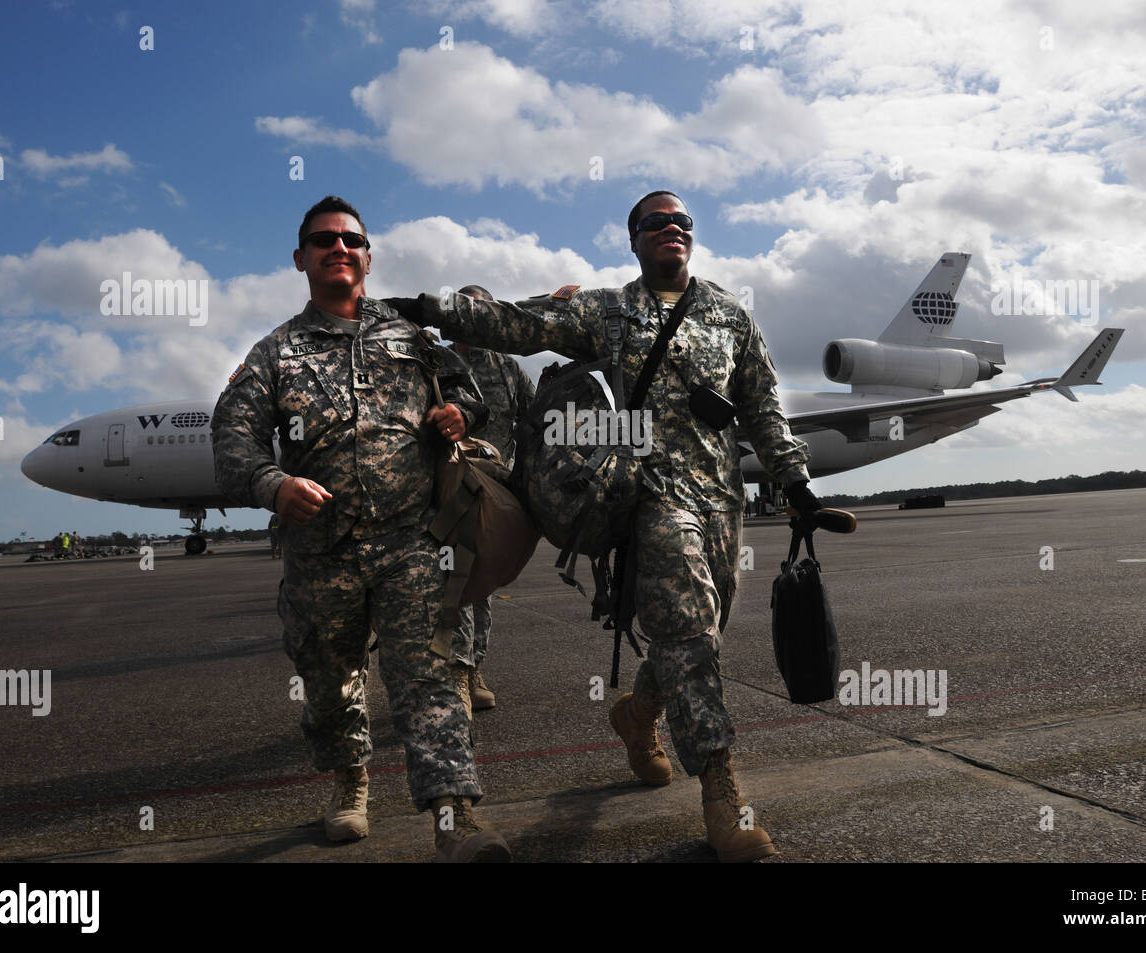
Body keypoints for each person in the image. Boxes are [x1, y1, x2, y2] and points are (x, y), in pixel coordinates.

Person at [388, 190, 823, 862]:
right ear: (634, 239)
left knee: (706, 625)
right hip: (647, 491)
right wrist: (429, 309)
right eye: (656, 222)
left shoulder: (730, 316)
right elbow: (517, 322)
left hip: (719, 494)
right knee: (685, 623)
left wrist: (797, 486)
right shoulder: (606, 309)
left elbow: (764, 408)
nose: (671, 229)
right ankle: (719, 788)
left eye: (681, 222)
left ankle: (639, 712)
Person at [211, 195, 509, 862]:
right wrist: (275, 484)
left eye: (351, 239)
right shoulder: (275, 354)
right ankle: (351, 778)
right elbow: (233, 445)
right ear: (301, 259)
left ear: (368, 257)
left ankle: (454, 819)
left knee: (430, 676)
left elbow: (473, 394)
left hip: (411, 542)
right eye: (323, 240)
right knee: (328, 680)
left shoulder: (413, 337)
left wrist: (459, 414)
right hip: (321, 555)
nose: (338, 248)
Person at [450, 284, 536, 712]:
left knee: (482, 585)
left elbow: (536, 420)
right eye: (467, 310)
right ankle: (459, 675)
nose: (475, 317)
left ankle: (473, 667)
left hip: (497, 493)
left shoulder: (508, 368)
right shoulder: (440, 363)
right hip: (449, 491)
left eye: (482, 310)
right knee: (458, 582)